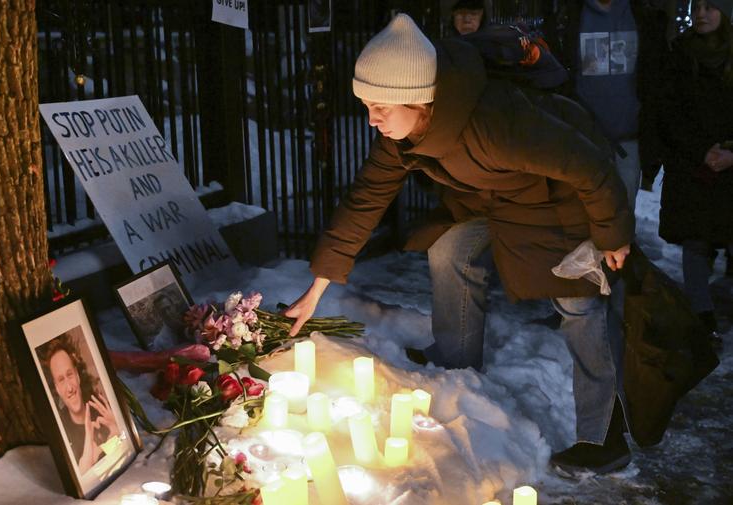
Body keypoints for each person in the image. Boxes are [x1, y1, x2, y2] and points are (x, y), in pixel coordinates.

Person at [284, 13, 634, 474]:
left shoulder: (496, 123)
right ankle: (456, 364)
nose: (372, 119)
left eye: (381, 106)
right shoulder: (402, 136)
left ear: (418, 98)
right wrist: (320, 283)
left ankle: (603, 436)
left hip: (559, 202)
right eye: (367, 104)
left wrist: (611, 234)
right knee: (450, 250)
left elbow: (589, 167)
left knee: (578, 302)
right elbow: (365, 199)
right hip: (494, 200)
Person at [656, 0, 733, 346]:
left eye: (710, 7)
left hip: (729, 161)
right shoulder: (679, 55)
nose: (701, 13)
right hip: (692, 163)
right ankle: (702, 314)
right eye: (696, 6)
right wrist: (701, 151)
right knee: (695, 239)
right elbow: (668, 112)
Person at [547, 0, 672, 208]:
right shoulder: (568, 17)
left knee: (622, 215)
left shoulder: (643, 16)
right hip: (584, 138)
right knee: (581, 216)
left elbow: (655, 79)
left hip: (630, 139)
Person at [39, 334, 119, 474]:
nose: (69, 388)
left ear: (77, 376)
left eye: (69, 375)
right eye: (61, 380)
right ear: (57, 388)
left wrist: (115, 429)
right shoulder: (61, 431)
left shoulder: (103, 412)